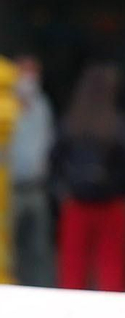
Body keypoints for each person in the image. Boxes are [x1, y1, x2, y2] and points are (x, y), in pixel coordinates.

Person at [50, 64, 125, 291]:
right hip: (110, 205)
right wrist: (121, 190)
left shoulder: (71, 123)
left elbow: (53, 162)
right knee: (112, 273)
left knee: (72, 272)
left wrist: (64, 191)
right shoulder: (118, 125)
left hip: (77, 204)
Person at [9, 57, 54, 287]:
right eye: (26, 73)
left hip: (36, 187)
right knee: (9, 250)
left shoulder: (42, 105)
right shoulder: (6, 105)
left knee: (38, 249)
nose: (30, 79)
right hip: (10, 189)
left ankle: (40, 292)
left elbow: (49, 141)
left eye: (34, 73)